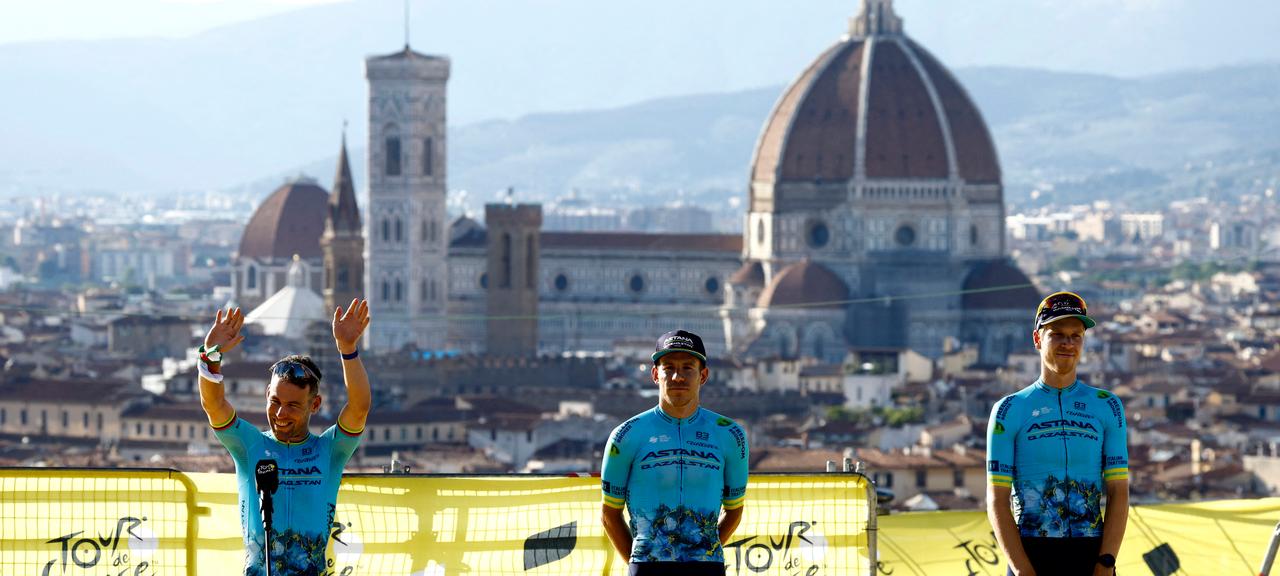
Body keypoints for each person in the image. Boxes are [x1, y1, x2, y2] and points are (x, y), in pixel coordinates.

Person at [196, 298, 371, 576]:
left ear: (315, 405)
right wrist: (209, 355)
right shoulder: (250, 445)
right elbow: (214, 406)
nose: (280, 413)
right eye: (275, 401)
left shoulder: (329, 451)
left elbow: (359, 408)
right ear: (266, 395)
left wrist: (348, 350)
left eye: (293, 406)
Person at [986, 291, 1129, 576]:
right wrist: (1023, 571)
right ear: (1038, 339)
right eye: (1057, 334)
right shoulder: (1008, 410)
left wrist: (1105, 563)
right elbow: (996, 499)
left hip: (1091, 555)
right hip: (1031, 553)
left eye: (1076, 336)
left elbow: (1119, 492)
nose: (1068, 343)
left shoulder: (1108, 406)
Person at [600, 329, 750, 576]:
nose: (678, 376)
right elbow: (609, 514)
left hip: (706, 566)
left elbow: (735, 510)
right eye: (668, 367)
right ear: (655, 374)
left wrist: (703, 551)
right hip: (647, 565)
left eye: (688, 368)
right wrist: (638, 561)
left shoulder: (730, 435)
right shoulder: (625, 435)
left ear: (703, 375)